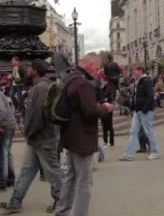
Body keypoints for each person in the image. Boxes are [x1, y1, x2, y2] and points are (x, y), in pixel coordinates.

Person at [0, 59, 63, 214]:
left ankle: (61, 201)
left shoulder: (40, 88)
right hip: (40, 137)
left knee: (53, 171)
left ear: (35, 71)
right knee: (28, 170)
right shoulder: (42, 86)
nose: (27, 71)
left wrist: (29, 132)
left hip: (42, 137)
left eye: (30, 68)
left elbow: (36, 115)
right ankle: (16, 201)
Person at [55, 53, 114, 216]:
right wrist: (105, 108)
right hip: (82, 138)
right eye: (97, 67)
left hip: (70, 136)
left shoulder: (70, 78)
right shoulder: (83, 83)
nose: (98, 70)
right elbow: (90, 112)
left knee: (71, 176)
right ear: (90, 64)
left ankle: (62, 211)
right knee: (84, 182)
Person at [119, 66, 161, 161]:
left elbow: (150, 96)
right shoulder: (138, 81)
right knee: (133, 132)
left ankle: (155, 152)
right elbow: (136, 96)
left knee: (149, 131)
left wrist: (144, 109)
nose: (133, 72)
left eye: (135, 70)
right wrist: (134, 107)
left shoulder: (146, 81)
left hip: (144, 110)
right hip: (138, 110)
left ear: (140, 71)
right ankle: (129, 154)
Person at [101, 76, 115, 148]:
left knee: (109, 126)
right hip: (103, 108)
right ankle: (105, 141)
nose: (101, 81)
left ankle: (111, 142)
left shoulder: (110, 87)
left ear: (106, 80)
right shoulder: (103, 87)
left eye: (102, 80)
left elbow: (112, 97)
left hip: (108, 108)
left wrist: (111, 105)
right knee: (104, 126)